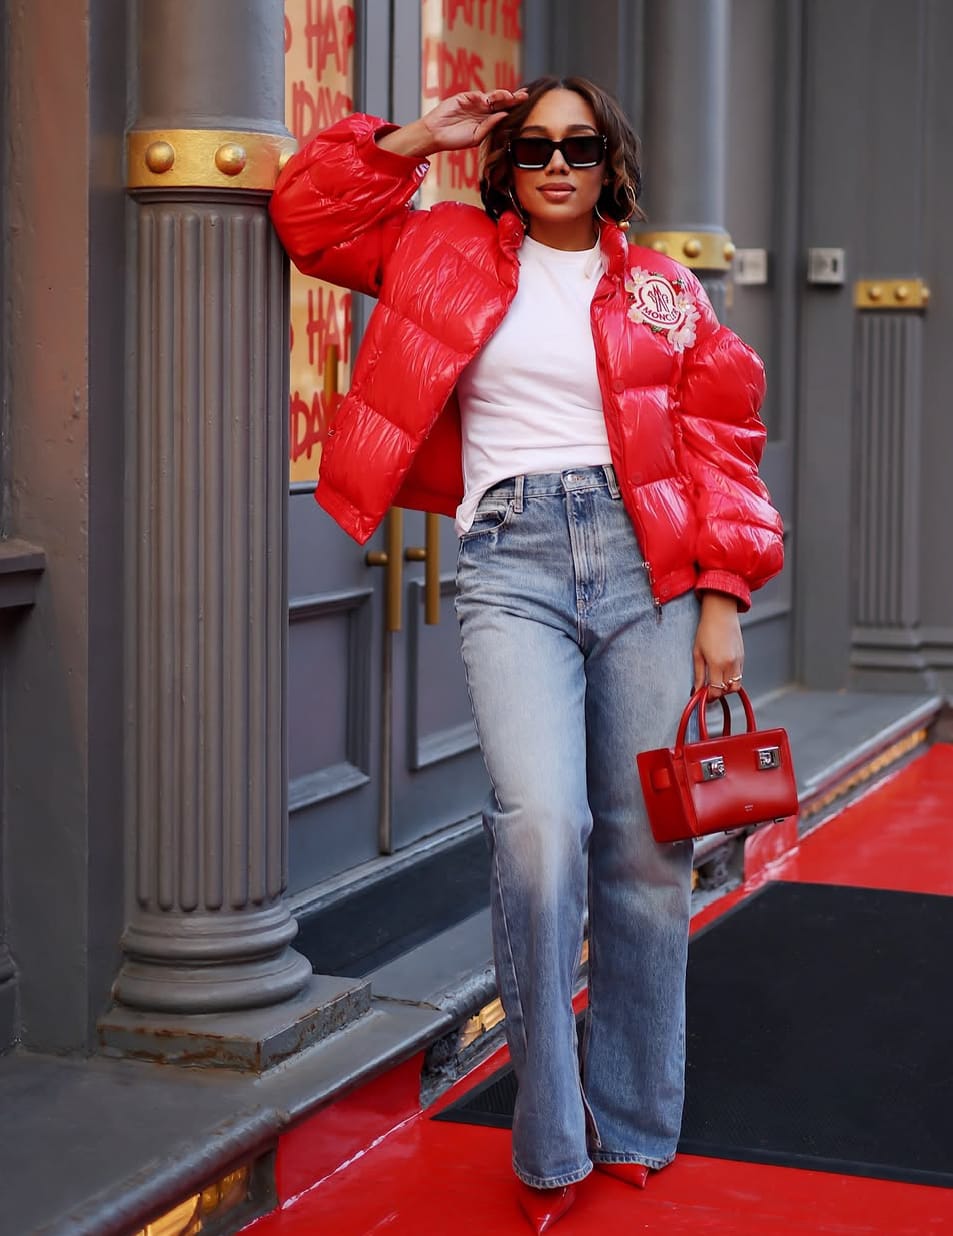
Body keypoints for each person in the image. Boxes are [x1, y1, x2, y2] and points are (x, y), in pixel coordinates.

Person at [270, 76, 784, 1234]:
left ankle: (635, 1115)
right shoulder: (442, 249)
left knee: (647, 854)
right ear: (506, 160)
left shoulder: (660, 290)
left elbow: (721, 440)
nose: (558, 162)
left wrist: (720, 595)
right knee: (542, 827)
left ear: (613, 163)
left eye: (580, 145)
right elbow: (311, 220)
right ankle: (548, 1132)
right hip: (509, 562)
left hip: (645, 559)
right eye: (535, 144)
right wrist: (415, 139)